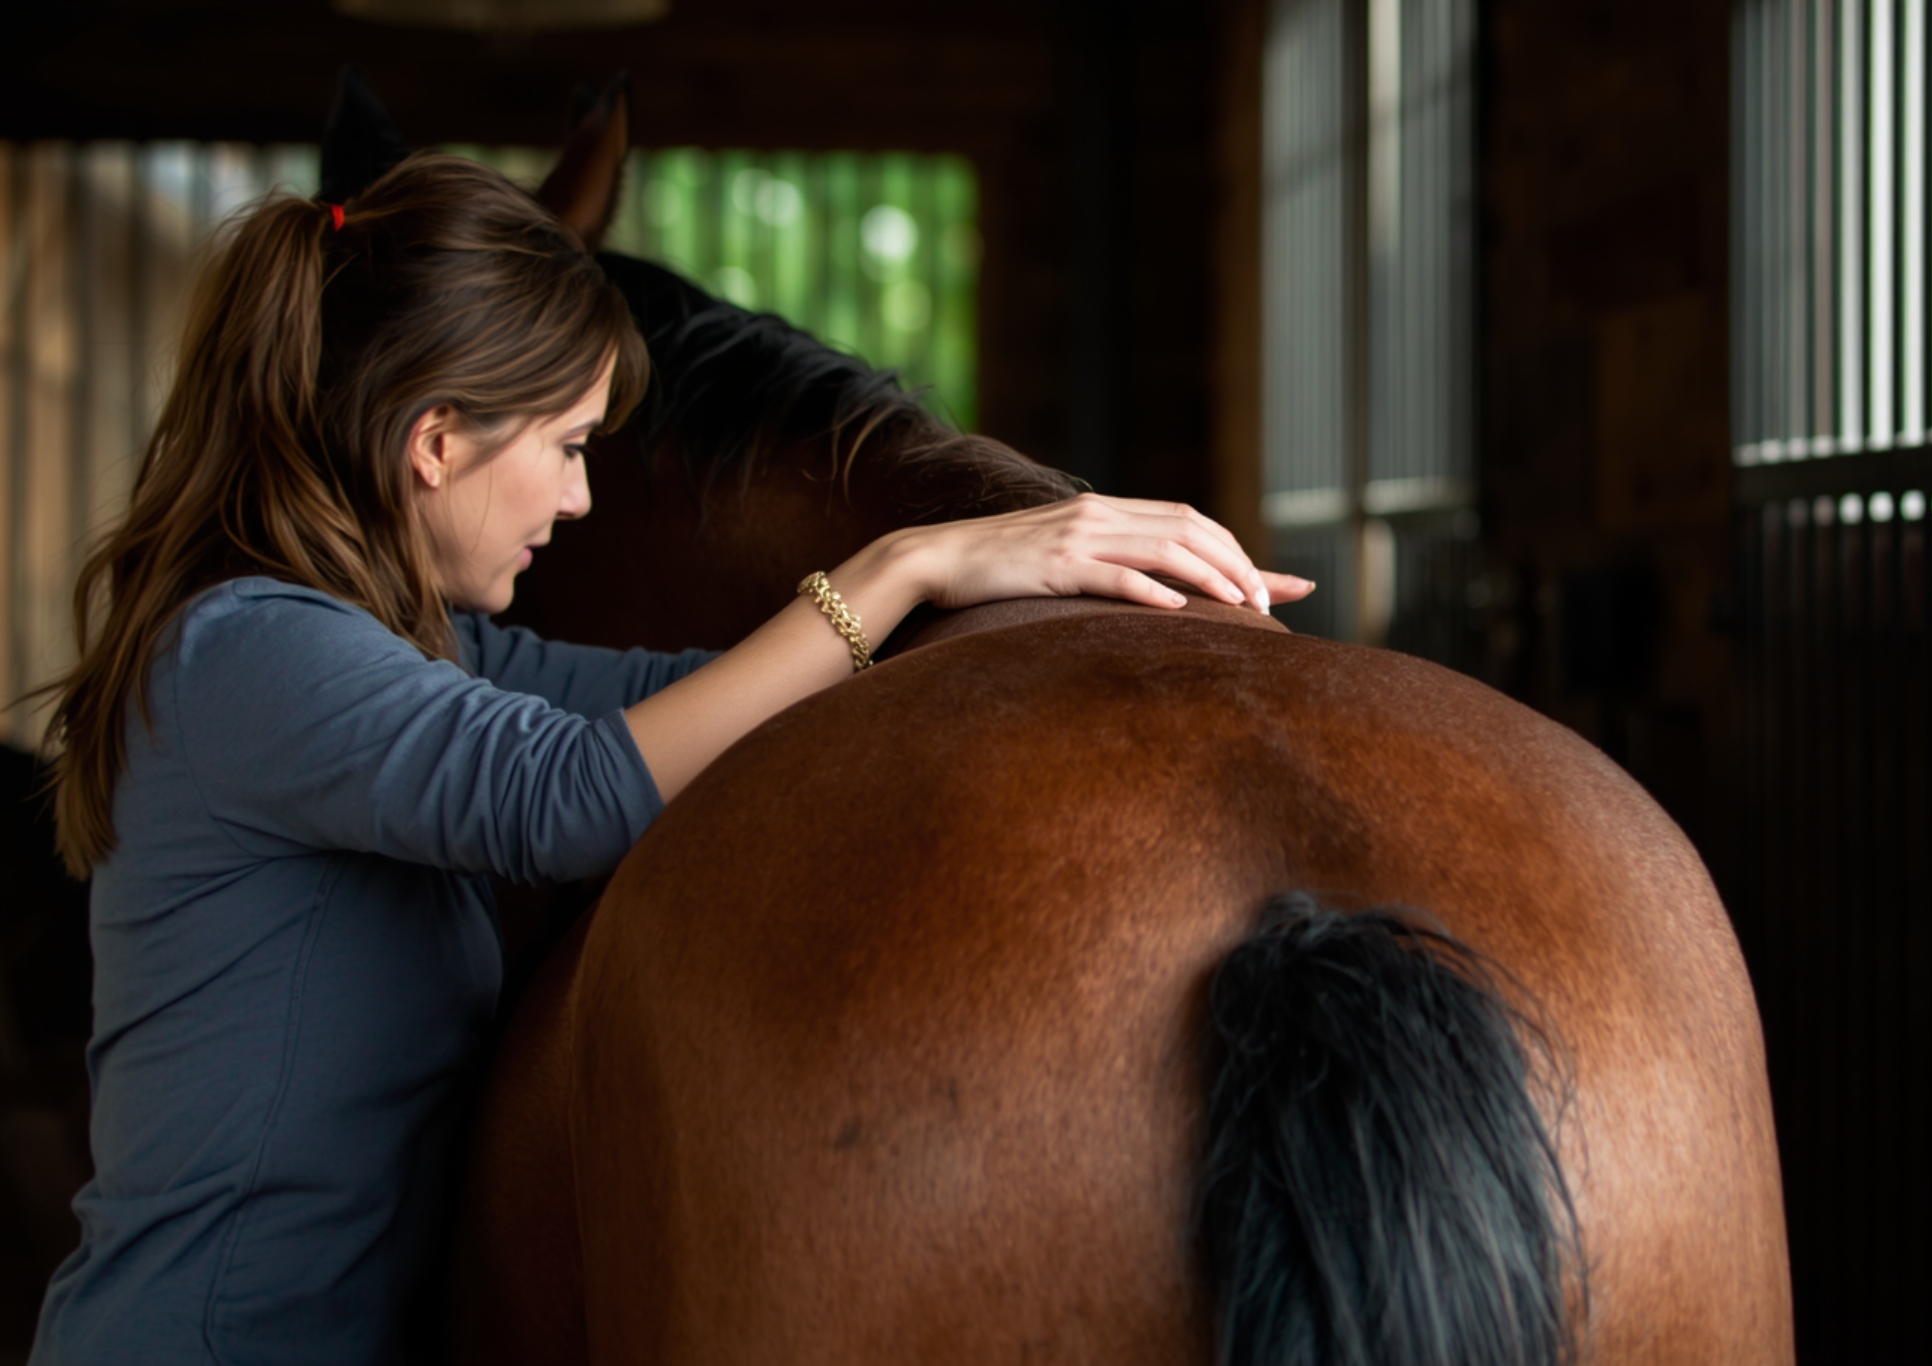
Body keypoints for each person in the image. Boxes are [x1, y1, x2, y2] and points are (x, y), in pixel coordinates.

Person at [25, 153, 1309, 1362]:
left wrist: (1016, 613)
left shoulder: (424, 651)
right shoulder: (246, 651)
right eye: (569, 445)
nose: (580, 500)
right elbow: (571, 797)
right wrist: (906, 559)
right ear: (434, 441)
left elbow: (697, 710)